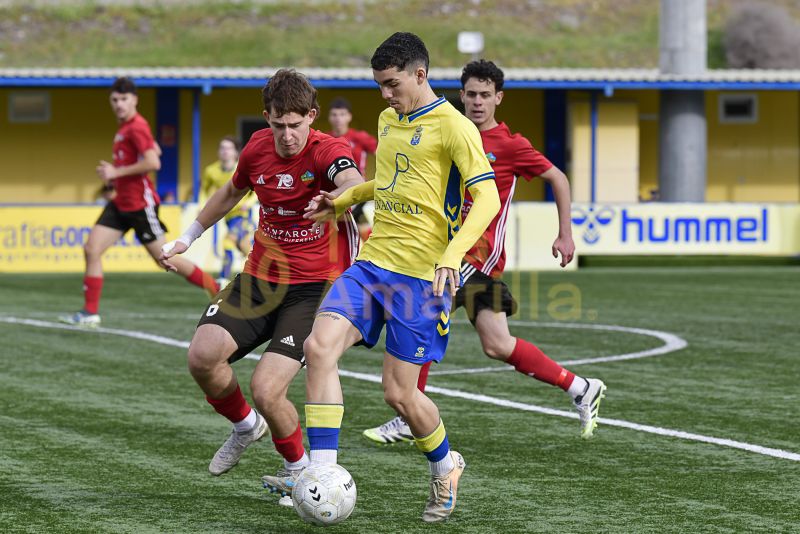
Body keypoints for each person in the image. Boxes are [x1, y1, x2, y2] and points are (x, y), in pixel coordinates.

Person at [297, 33, 500, 523]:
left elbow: (488, 198)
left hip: (421, 279)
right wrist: (341, 199)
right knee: (318, 348)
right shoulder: (389, 121)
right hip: (372, 264)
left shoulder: (454, 127)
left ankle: (445, 466)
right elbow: (387, 183)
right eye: (380, 86)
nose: (385, 96)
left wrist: (452, 257)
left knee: (400, 394)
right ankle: (322, 470)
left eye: (392, 84)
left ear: (420, 75)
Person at [362, 60, 607, 446]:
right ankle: (580, 387)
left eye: (485, 95)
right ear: (461, 95)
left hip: (475, 259)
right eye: (471, 94)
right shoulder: (445, 129)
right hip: (441, 250)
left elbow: (557, 177)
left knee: (425, 309)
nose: (477, 102)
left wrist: (565, 234)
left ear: (498, 98)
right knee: (497, 345)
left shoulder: (509, 144)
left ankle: (409, 414)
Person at [159, 70, 362, 502]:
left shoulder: (330, 150)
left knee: (268, 389)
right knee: (202, 357)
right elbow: (231, 193)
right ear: (265, 118)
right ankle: (246, 427)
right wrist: (186, 236)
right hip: (258, 278)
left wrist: (338, 198)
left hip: (313, 288)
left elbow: (352, 180)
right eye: (277, 125)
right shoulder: (256, 149)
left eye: (296, 125)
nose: (287, 136)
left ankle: (300, 471)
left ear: (312, 116)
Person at [60, 77, 218, 327]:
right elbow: (154, 151)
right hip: (120, 203)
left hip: (139, 206)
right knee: (92, 249)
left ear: (134, 100)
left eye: (124, 99)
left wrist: (115, 173)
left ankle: (216, 288)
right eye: (115, 100)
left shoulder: (136, 126)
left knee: (165, 259)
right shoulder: (126, 127)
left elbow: (154, 163)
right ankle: (90, 313)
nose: (119, 104)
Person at [199, 136, 256, 286]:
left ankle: (223, 279)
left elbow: (256, 189)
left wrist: (249, 203)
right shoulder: (211, 171)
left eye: (228, 148)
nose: (225, 151)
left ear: (236, 152)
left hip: (242, 214)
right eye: (222, 148)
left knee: (228, 243)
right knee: (245, 248)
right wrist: (202, 205)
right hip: (226, 215)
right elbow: (203, 190)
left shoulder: (242, 169)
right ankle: (263, 272)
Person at [327, 97, 378, 241]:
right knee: (337, 229)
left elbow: (382, 154)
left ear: (349, 116)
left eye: (342, 114)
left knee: (359, 226)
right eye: (334, 115)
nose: (338, 119)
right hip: (334, 192)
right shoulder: (325, 138)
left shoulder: (359, 137)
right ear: (330, 117)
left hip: (358, 191)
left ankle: (367, 256)